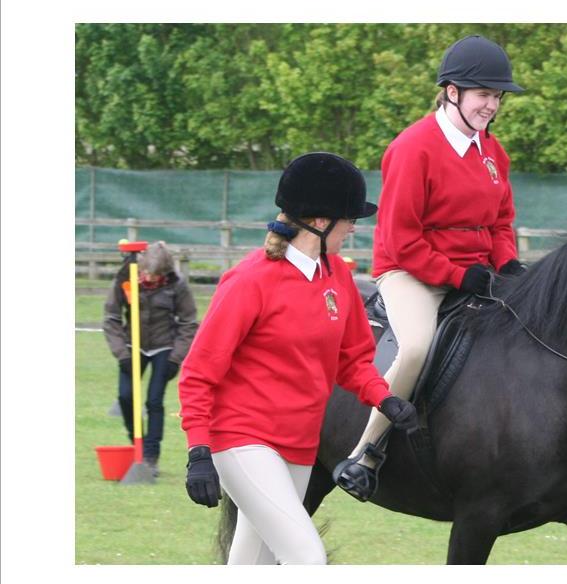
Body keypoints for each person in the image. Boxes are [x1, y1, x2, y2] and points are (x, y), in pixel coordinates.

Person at [178, 152, 419, 564]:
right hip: (243, 439)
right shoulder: (250, 280)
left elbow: (354, 359)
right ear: (321, 222)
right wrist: (199, 451)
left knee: (255, 565)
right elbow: (199, 373)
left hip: (300, 442)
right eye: (349, 220)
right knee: (307, 559)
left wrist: (385, 399)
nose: (353, 228)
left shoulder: (337, 276)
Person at [332, 34, 526, 501]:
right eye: (485, 95)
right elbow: (401, 240)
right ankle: (366, 453)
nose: (492, 106)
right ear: (452, 92)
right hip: (411, 273)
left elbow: (501, 221)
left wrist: (510, 264)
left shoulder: (492, 152)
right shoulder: (413, 148)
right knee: (417, 347)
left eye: (497, 97)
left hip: (478, 271)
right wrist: (459, 276)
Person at [103, 241, 199, 475]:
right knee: (126, 396)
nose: (151, 278)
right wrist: (122, 354)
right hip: (131, 346)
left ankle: (150, 456)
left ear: (165, 272)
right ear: (141, 266)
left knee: (154, 401)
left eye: (156, 276)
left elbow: (188, 323)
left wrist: (175, 359)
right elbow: (111, 318)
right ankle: (136, 441)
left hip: (163, 348)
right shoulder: (126, 278)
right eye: (147, 273)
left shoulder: (177, 285)